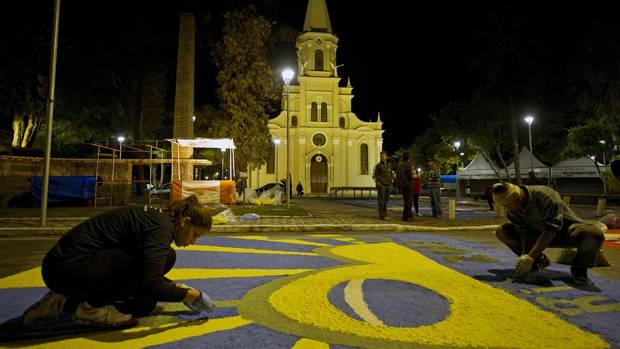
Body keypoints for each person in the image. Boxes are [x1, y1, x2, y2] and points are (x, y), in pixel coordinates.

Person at [20, 195, 215, 327]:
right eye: (194, 234)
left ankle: (64, 299)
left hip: (66, 267)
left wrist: (174, 288)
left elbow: (147, 274)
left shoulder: (160, 220)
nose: (192, 242)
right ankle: (90, 308)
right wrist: (191, 295)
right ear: (185, 222)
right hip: (66, 269)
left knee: (144, 303)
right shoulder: (161, 230)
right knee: (158, 274)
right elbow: (150, 282)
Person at [492, 182, 607, 286]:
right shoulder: (513, 212)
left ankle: (580, 269)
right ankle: (538, 262)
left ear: (519, 198)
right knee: (503, 231)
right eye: (505, 207)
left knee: (593, 233)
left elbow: (551, 229)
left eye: (509, 206)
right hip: (538, 235)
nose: (508, 209)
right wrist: (526, 256)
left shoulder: (545, 195)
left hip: (565, 232)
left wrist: (530, 256)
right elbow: (525, 233)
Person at [372, 150, 393, 221]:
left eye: (383, 156)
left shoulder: (389, 166)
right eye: (381, 156)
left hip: (388, 185)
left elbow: (391, 174)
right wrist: (378, 183)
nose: (382, 158)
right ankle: (382, 216)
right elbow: (374, 176)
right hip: (382, 186)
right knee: (381, 201)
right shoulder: (378, 165)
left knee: (386, 201)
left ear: (386, 157)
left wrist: (392, 181)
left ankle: (385, 214)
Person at [395, 152, 413, 221]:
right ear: (408, 158)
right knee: (408, 201)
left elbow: (398, 175)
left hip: (402, 185)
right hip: (408, 185)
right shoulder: (408, 164)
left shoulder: (399, 165)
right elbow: (410, 175)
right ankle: (406, 216)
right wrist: (411, 179)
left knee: (406, 201)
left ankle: (408, 215)